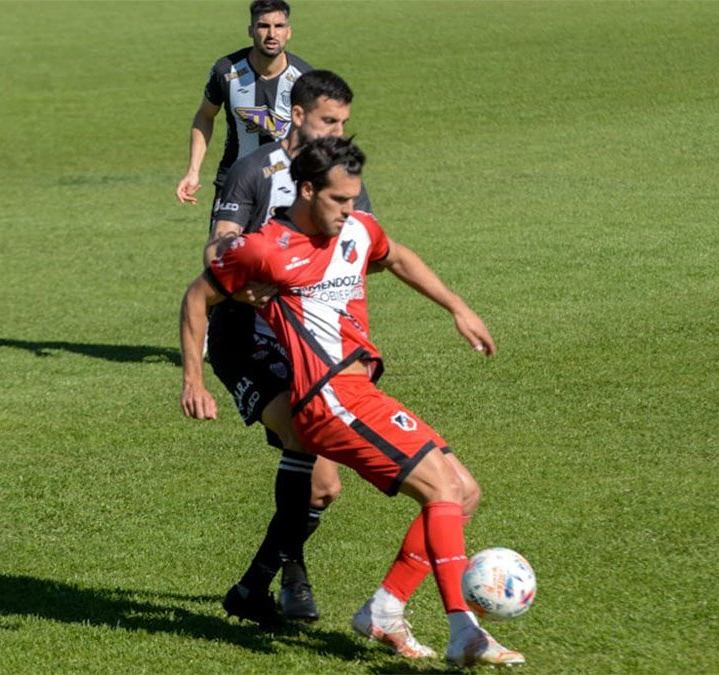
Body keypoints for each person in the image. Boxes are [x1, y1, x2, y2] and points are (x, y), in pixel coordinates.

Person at [179, 136, 524, 666]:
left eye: (355, 198)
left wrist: (458, 307)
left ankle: (384, 612)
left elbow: (399, 258)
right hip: (328, 399)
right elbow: (199, 296)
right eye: (340, 200)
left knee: (464, 492)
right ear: (309, 189)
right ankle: (465, 632)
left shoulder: (359, 229)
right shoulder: (266, 248)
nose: (351, 210)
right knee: (441, 490)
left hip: (361, 391)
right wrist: (194, 380)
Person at [199, 70, 369, 627]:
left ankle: (265, 581)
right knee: (306, 451)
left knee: (325, 487)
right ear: (297, 117)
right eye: (328, 120)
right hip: (244, 336)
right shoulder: (255, 170)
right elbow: (218, 246)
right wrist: (248, 278)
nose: (337, 131)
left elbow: (356, 251)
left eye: (343, 122)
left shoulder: (340, 175)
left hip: (310, 342)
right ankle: (276, 581)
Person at [175, 0, 310, 212]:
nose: (272, 34)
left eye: (279, 26)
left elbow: (317, 132)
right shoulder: (225, 71)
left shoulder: (304, 78)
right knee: (221, 245)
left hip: (286, 184)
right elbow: (205, 115)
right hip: (234, 179)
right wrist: (193, 171)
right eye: (263, 26)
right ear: (251, 31)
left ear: (289, 32)